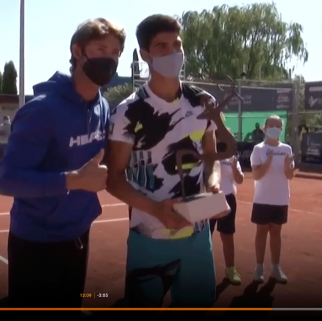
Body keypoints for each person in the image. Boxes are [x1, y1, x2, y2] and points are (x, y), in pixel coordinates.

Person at [0, 18, 125, 309]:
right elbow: (8, 181)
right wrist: (74, 180)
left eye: (116, 52)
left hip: (78, 235)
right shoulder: (42, 109)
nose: (110, 58)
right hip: (36, 243)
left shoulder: (103, 106)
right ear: (78, 51)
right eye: (102, 48)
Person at [106, 14, 229, 308]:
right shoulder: (128, 112)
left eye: (177, 44)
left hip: (198, 238)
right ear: (145, 55)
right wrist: (157, 211)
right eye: (162, 46)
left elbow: (211, 157)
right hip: (148, 239)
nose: (173, 52)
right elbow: (113, 179)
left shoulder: (204, 102)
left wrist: (213, 184)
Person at [249, 115, 294, 283]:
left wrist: (287, 165)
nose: (275, 128)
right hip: (262, 198)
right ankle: (259, 268)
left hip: (281, 199)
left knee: (276, 233)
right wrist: (268, 161)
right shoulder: (258, 149)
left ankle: (275, 268)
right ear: (265, 128)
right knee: (261, 232)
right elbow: (257, 175)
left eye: (279, 125)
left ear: (282, 129)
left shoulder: (287, 149)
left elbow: (289, 176)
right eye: (272, 125)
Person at [210, 130, 244, 285]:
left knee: (227, 236)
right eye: (218, 136)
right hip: (209, 200)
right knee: (204, 237)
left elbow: (240, 180)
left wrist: (235, 167)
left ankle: (230, 269)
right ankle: (202, 271)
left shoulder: (232, 158)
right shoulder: (207, 154)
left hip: (228, 198)